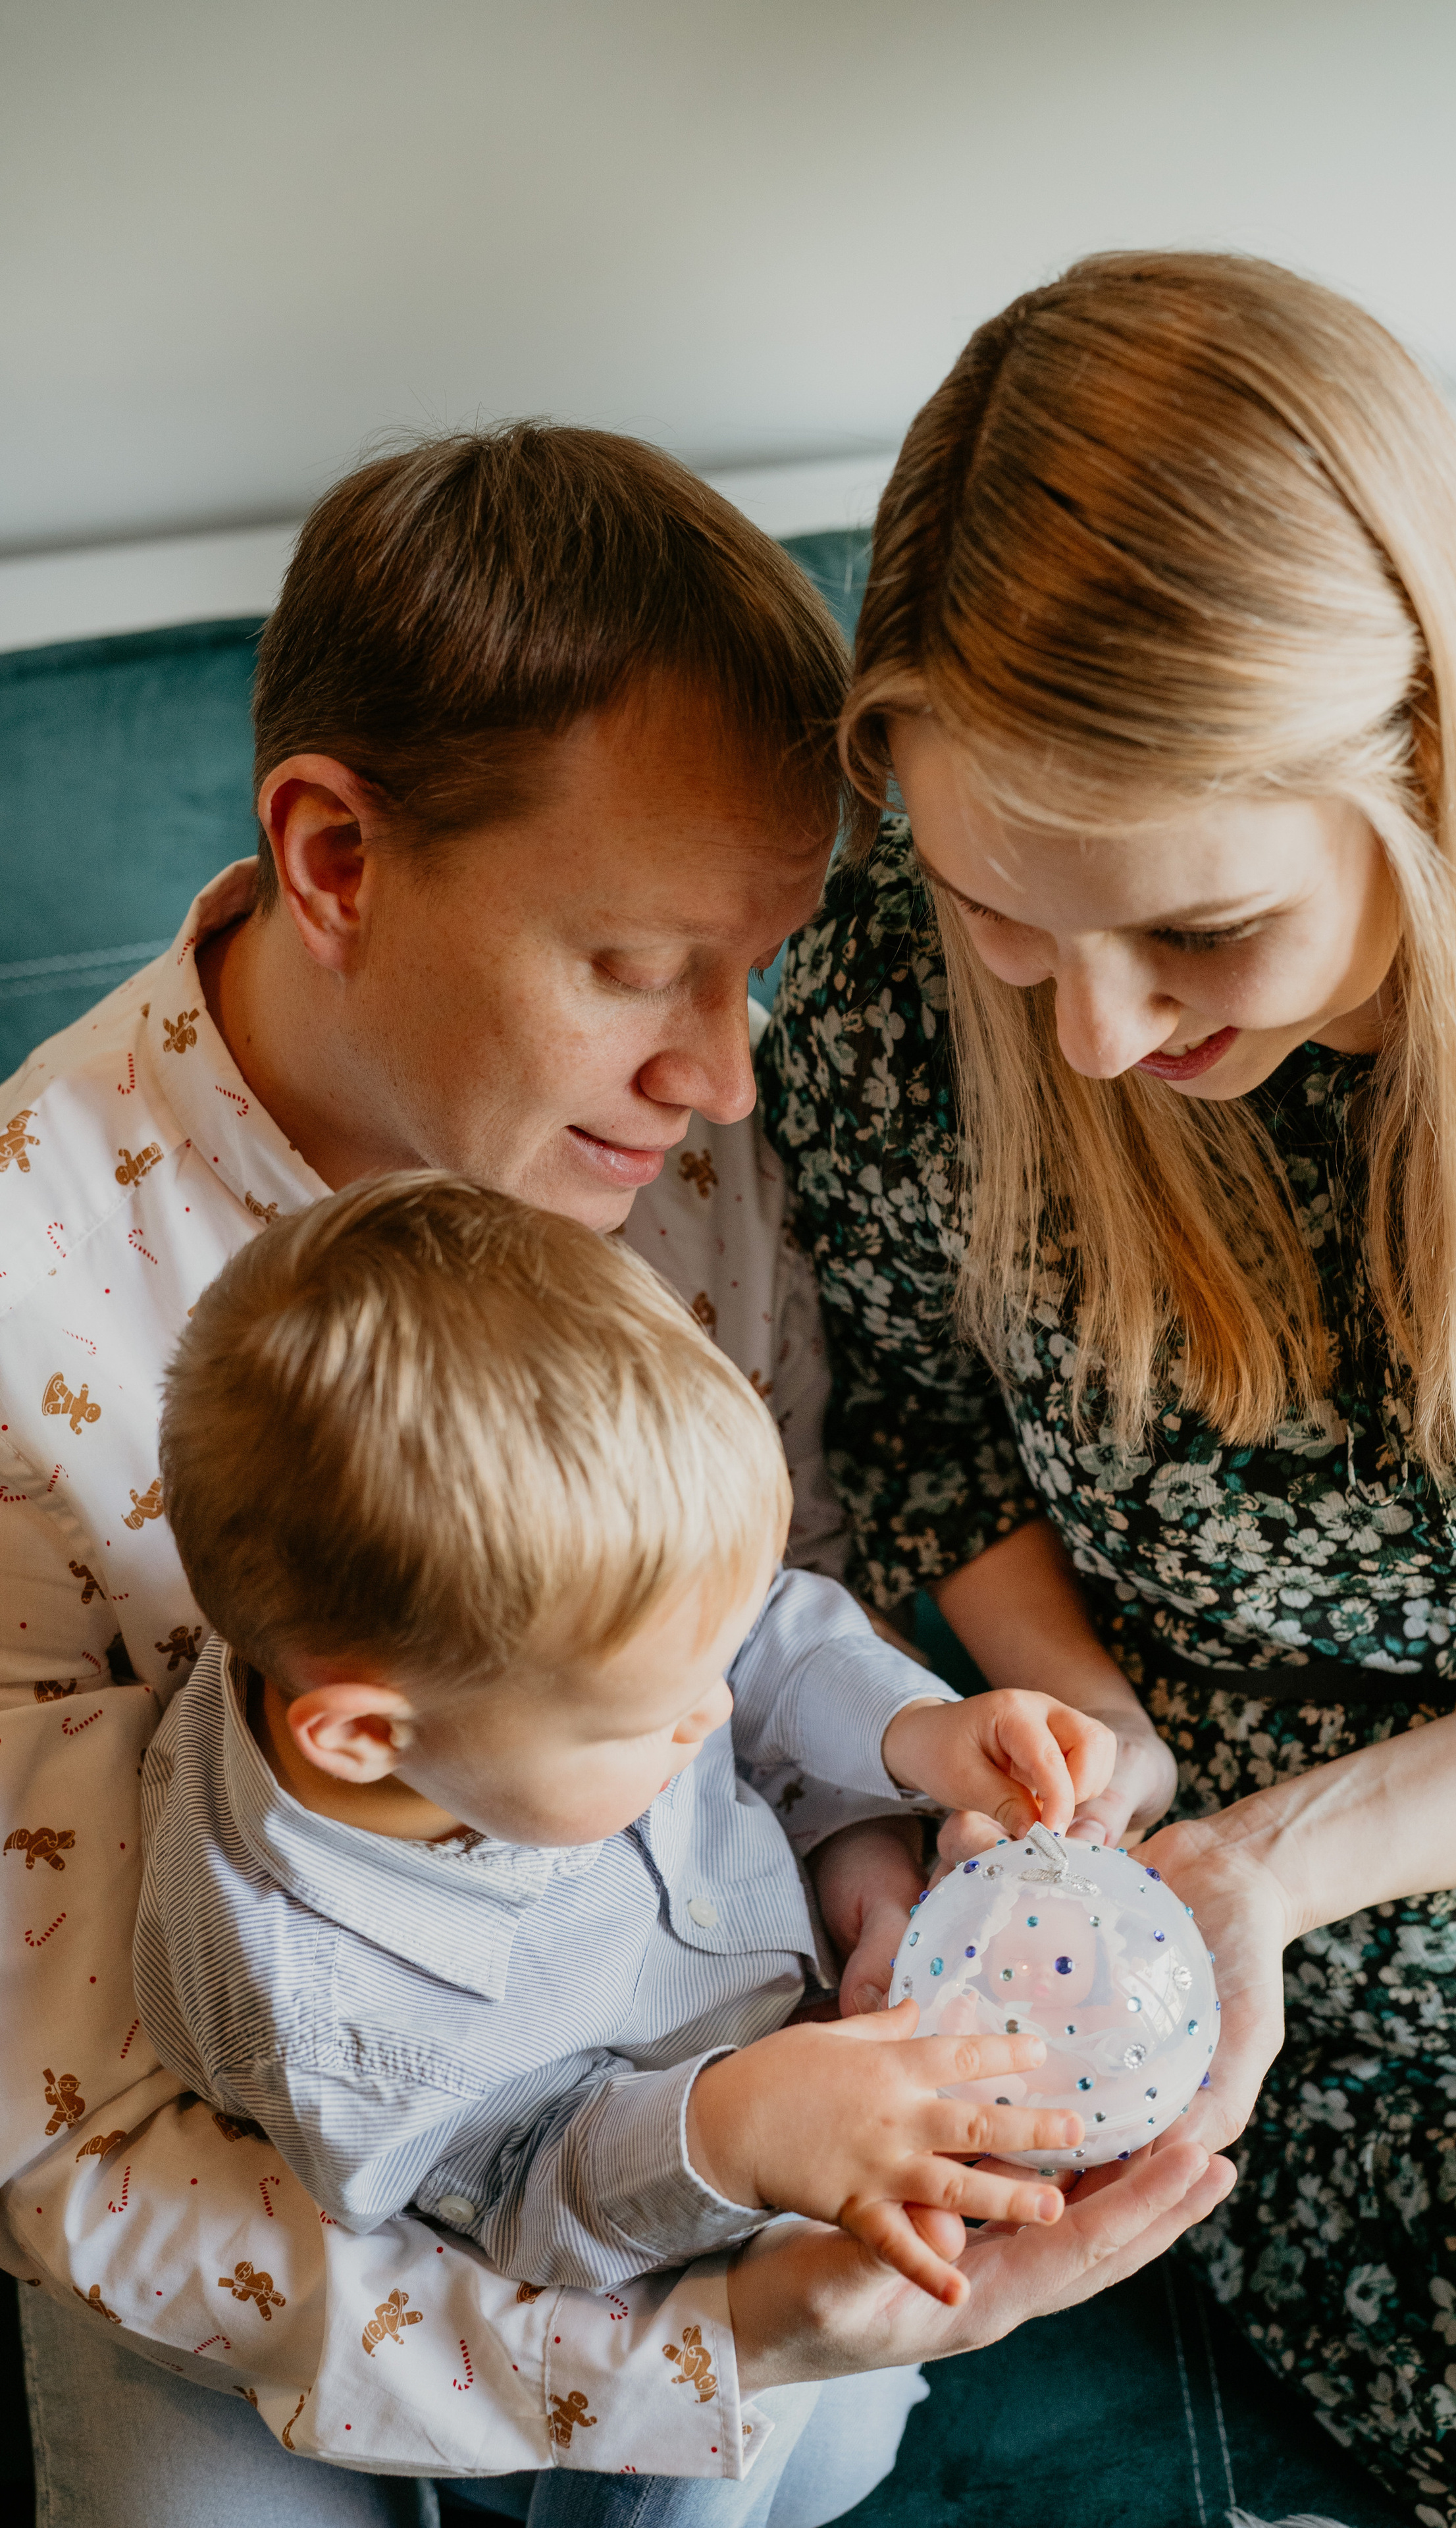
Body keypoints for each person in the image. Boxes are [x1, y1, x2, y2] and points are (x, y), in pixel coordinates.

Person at [1, 421, 1230, 2527]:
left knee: (825, 2454)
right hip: (253, 2155)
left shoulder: (671, 1151)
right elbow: (77, 2131)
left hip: (677, 2052)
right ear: (335, 860)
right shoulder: (31, 1304)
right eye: (640, 966)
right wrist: (698, 2347)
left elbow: (763, 1593)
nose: (725, 1074)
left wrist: (868, 1853)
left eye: (752, 970)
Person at [759, 251, 1456, 2528]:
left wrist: (1298, 1842)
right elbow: (920, 1433)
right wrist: (1107, 1742)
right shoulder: (898, 1011)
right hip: (1388, 2076)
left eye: (1196, 930)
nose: (1091, 1035)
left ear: (1431, 760)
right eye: (1006, 910)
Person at [138, 1171, 1112, 2302]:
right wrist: (734, 2132)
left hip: (773, 1924)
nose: (716, 1709)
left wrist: (913, 1734)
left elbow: (759, 1639)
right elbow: (518, 2190)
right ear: (363, 1738)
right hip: (674, 2166)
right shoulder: (331, 2024)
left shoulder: (536, 1667)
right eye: (655, 1715)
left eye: (710, 1663)